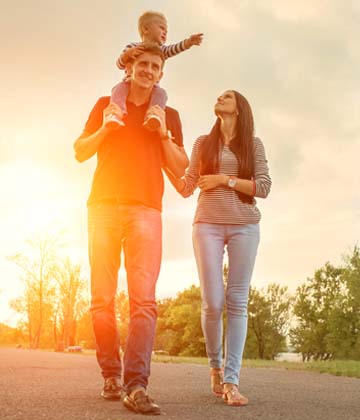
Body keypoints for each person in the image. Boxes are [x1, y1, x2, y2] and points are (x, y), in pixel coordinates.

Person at [73, 43, 189, 415]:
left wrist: (163, 135)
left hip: (146, 210)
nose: (149, 69)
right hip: (103, 206)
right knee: (101, 300)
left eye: (155, 65)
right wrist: (107, 127)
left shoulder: (168, 113)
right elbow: (79, 150)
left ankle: (136, 384)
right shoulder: (107, 103)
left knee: (144, 302)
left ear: (161, 74)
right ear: (131, 68)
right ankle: (111, 374)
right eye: (143, 63)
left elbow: (181, 165)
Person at [167, 90, 271, 406]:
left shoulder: (253, 144)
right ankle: (215, 365)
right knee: (212, 302)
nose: (219, 98)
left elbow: (263, 187)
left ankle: (231, 381)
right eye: (218, 96)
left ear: (239, 108)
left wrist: (224, 180)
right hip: (207, 225)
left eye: (227, 96)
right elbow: (186, 187)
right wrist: (162, 152)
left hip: (244, 226)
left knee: (237, 301)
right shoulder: (203, 143)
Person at [107, 10, 203, 130]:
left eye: (166, 31)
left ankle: (153, 115)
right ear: (146, 29)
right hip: (129, 83)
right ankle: (116, 114)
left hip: (151, 88)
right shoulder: (132, 47)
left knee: (161, 93)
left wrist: (188, 42)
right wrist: (128, 55)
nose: (165, 33)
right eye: (162, 28)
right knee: (117, 89)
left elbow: (175, 48)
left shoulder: (161, 51)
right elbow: (119, 64)